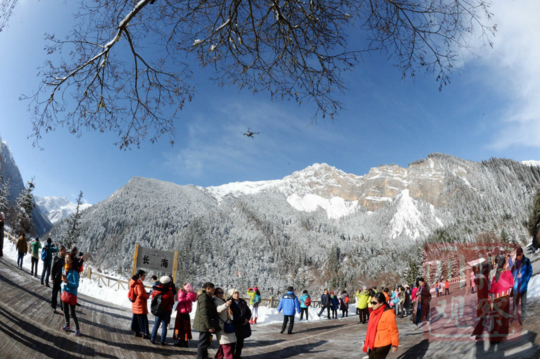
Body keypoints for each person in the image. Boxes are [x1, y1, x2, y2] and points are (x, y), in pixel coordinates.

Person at [363, 292, 399, 359]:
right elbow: (370, 329)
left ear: (381, 303)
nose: (372, 304)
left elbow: (393, 330)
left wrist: (394, 344)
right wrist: (366, 341)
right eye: (371, 302)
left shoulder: (388, 314)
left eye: (374, 303)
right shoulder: (373, 313)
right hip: (373, 343)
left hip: (383, 344)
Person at [489, 256, 514, 342]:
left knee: (497, 318)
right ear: (503, 264)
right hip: (505, 298)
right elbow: (512, 284)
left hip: (496, 299)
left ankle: (495, 337)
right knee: (504, 316)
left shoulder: (494, 277)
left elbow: (492, 290)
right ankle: (504, 333)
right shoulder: (508, 273)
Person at [193, 282, 220, 359]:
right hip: (204, 324)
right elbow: (204, 314)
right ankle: (200, 357)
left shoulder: (208, 297)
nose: (214, 290)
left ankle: (204, 356)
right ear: (208, 289)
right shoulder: (204, 298)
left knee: (205, 342)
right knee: (203, 343)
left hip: (204, 324)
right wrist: (209, 326)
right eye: (213, 289)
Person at [150, 276, 175, 345]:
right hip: (166, 311)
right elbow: (172, 302)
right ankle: (162, 341)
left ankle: (152, 339)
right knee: (164, 326)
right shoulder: (169, 291)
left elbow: (153, 299)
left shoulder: (156, 290)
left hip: (158, 310)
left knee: (156, 325)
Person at [60, 253, 81, 336]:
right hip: (64, 292)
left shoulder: (74, 272)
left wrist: (68, 282)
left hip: (71, 294)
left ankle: (77, 328)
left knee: (72, 313)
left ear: (72, 260)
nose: (66, 260)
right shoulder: (64, 269)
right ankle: (67, 325)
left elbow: (76, 285)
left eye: (68, 258)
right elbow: (63, 280)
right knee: (65, 311)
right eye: (65, 258)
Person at [511, 247, 533, 324]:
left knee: (523, 303)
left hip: (523, 286)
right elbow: (511, 275)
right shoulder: (515, 264)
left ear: (522, 254)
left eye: (520, 255)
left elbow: (530, 271)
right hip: (516, 288)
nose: (518, 257)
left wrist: (526, 280)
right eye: (517, 255)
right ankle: (514, 318)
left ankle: (523, 319)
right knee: (515, 305)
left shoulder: (527, 261)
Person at [228, 288, 251, 359]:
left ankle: (237, 355)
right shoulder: (229, 303)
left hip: (243, 326)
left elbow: (248, 312)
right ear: (231, 294)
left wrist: (247, 318)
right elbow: (230, 315)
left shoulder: (242, 302)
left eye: (237, 293)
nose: (237, 295)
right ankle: (231, 356)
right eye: (234, 293)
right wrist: (242, 319)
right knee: (232, 343)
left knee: (240, 342)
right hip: (234, 325)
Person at [213, 288, 236, 359]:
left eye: (222, 292)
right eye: (218, 292)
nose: (221, 294)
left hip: (227, 325)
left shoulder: (222, 301)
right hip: (222, 326)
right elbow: (218, 309)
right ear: (215, 294)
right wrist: (226, 305)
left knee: (225, 344)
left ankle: (218, 357)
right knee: (227, 346)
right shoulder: (215, 301)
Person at [471, 262, 491, 340]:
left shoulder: (481, 277)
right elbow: (485, 291)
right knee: (483, 319)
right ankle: (476, 335)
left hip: (482, 300)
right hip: (484, 300)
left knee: (483, 318)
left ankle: (476, 334)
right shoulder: (483, 278)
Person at [173, 283, 197, 347]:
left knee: (183, 329)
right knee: (182, 328)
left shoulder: (189, 295)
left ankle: (184, 341)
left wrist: (181, 292)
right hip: (183, 313)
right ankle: (181, 340)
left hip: (183, 313)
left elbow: (180, 300)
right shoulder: (189, 294)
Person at [129, 269, 150, 339]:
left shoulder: (134, 281)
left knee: (136, 318)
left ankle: (136, 331)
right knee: (143, 319)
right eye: (144, 275)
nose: (144, 277)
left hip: (135, 302)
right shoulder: (139, 283)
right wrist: (147, 295)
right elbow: (141, 294)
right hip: (140, 303)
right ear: (140, 275)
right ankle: (144, 333)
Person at [51, 245, 67, 314]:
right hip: (56, 279)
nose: (65, 252)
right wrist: (52, 278)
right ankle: (53, 307)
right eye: (64, 251)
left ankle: (62, 309)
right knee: (54, 294)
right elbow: (52, 269)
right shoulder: (56, 258)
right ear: (60, 251)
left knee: (62, 295)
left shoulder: (65, 260)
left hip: (62, 280)